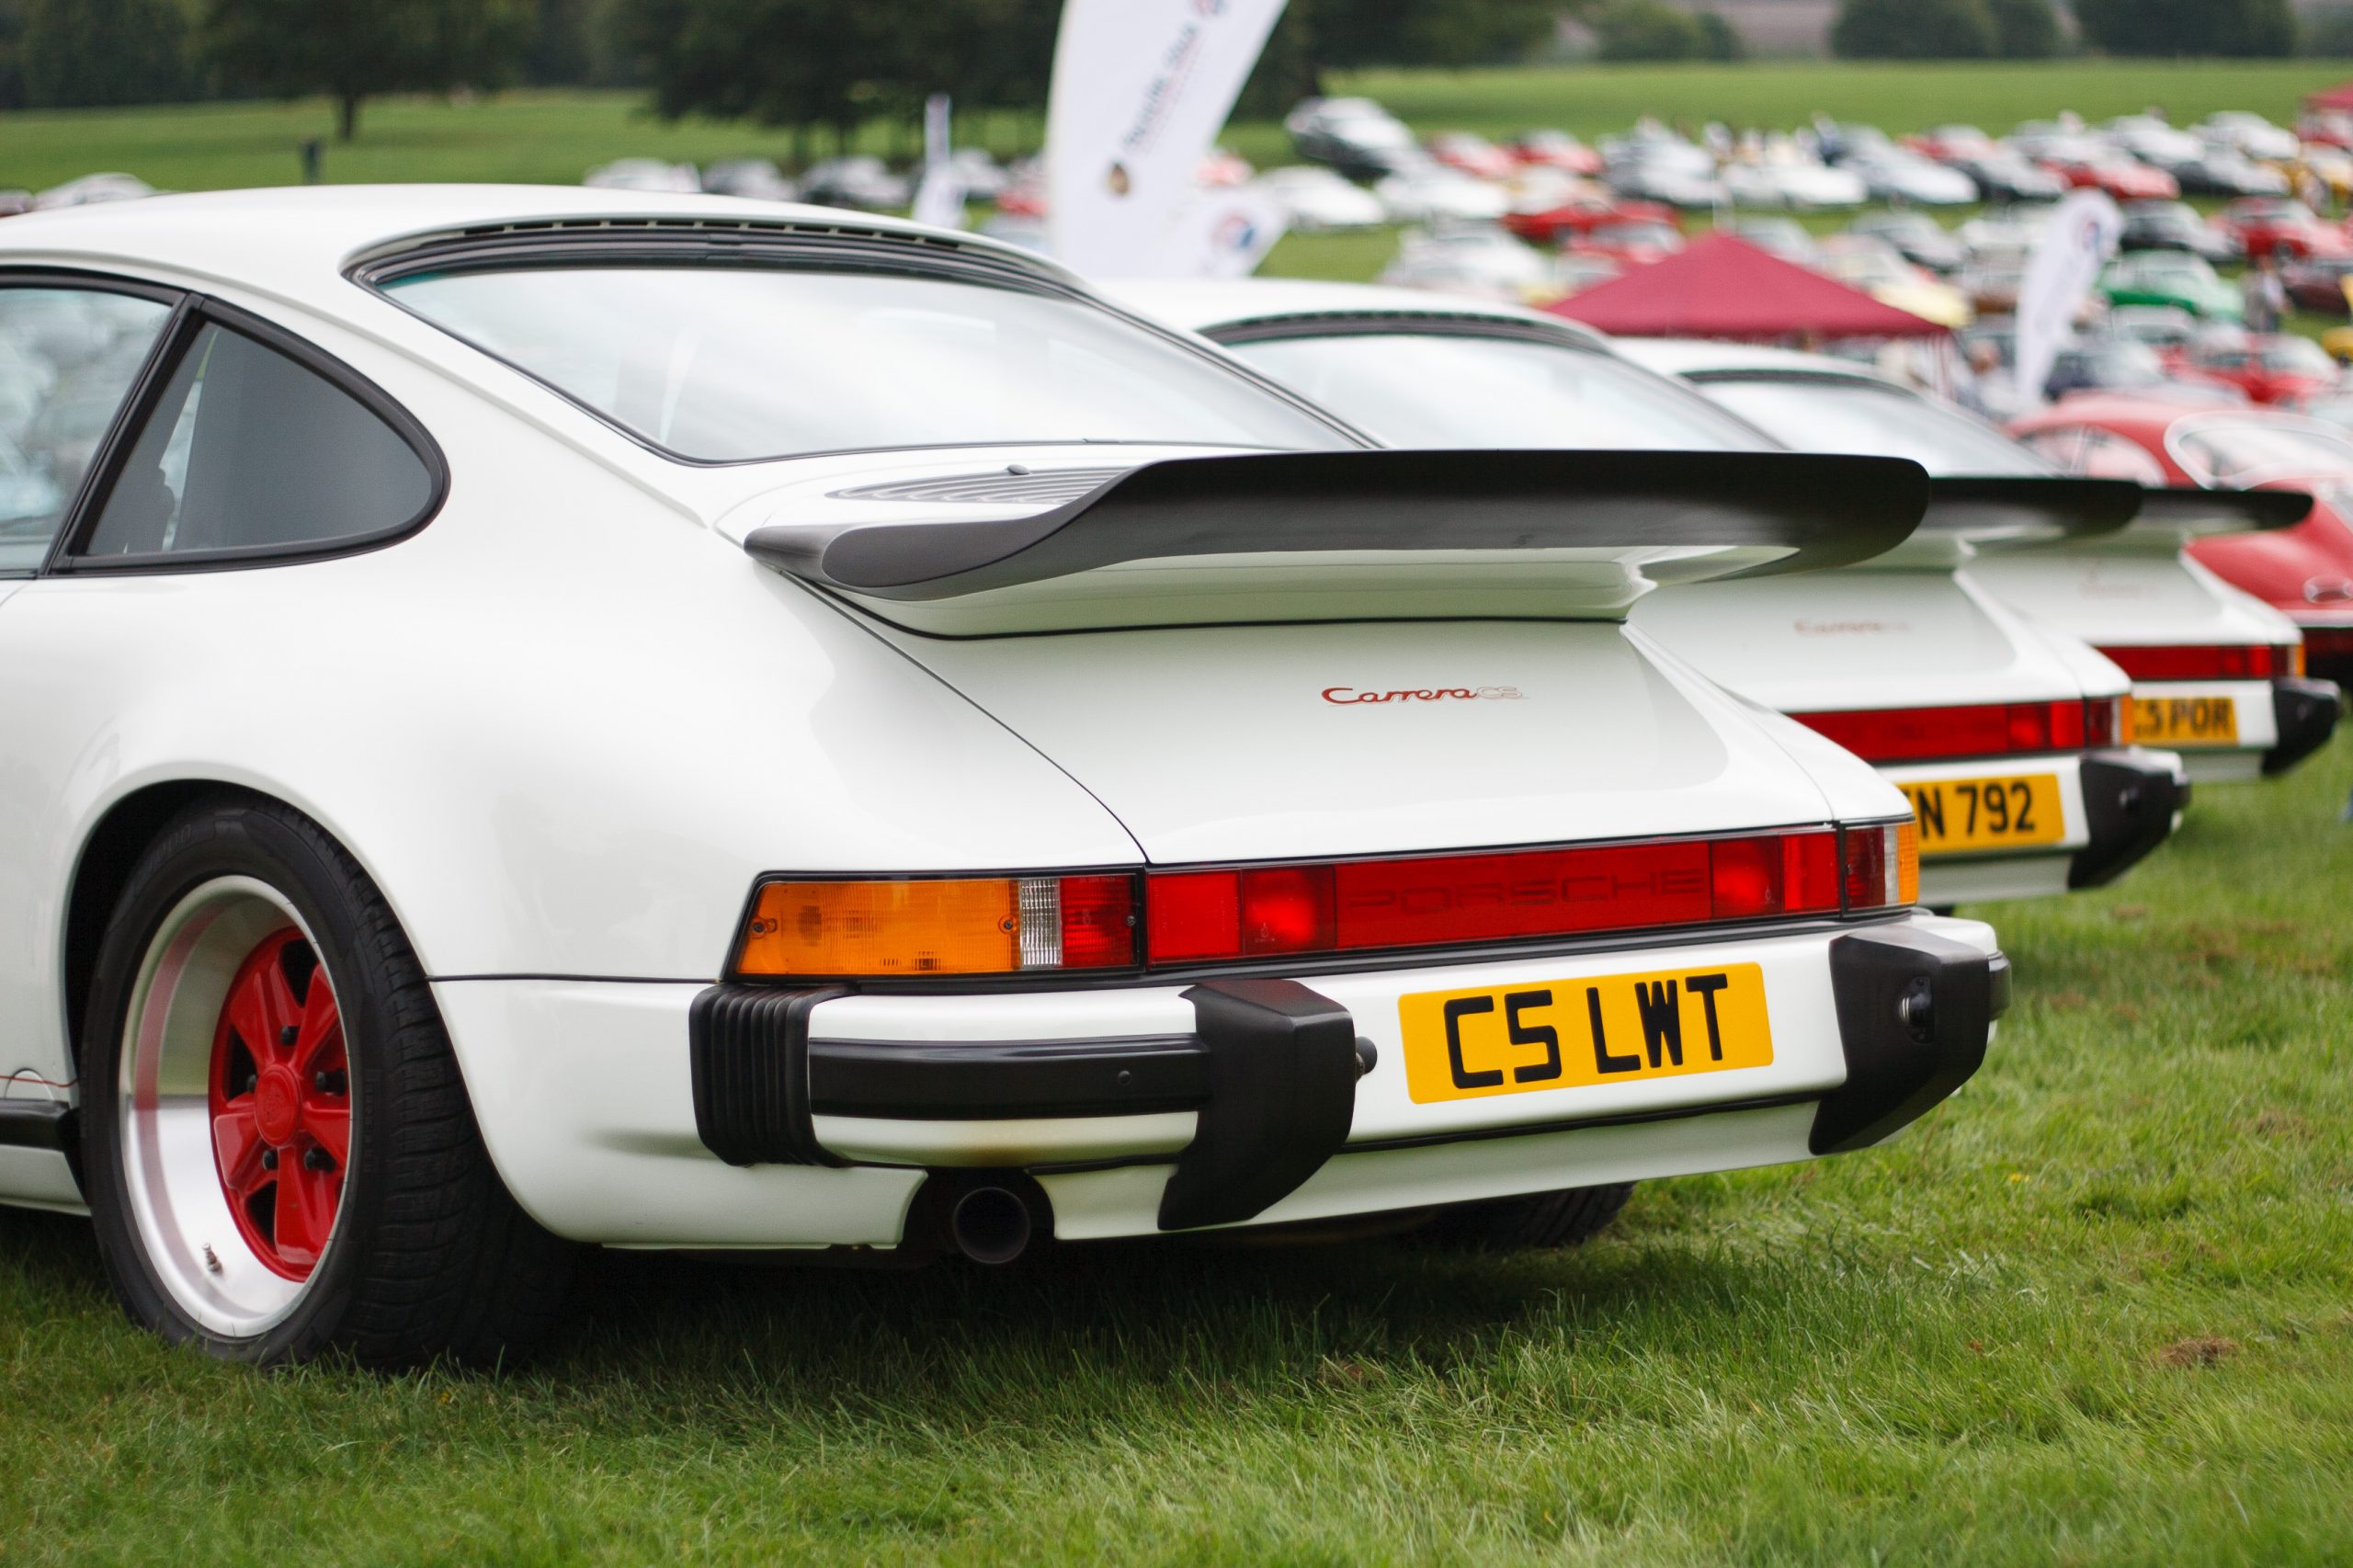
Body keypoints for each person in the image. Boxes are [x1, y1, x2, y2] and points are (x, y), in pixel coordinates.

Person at [2245, 256, 2288, 335]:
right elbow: (2262, 295)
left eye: (2267, 263)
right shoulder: (2253, 279)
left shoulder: (2272, 278)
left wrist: (2282, 302)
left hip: (2271, 314)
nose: (2265, 265)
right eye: (2262, 263)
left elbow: (2278, 293)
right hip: (2258, 314)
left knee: (2271, 334)